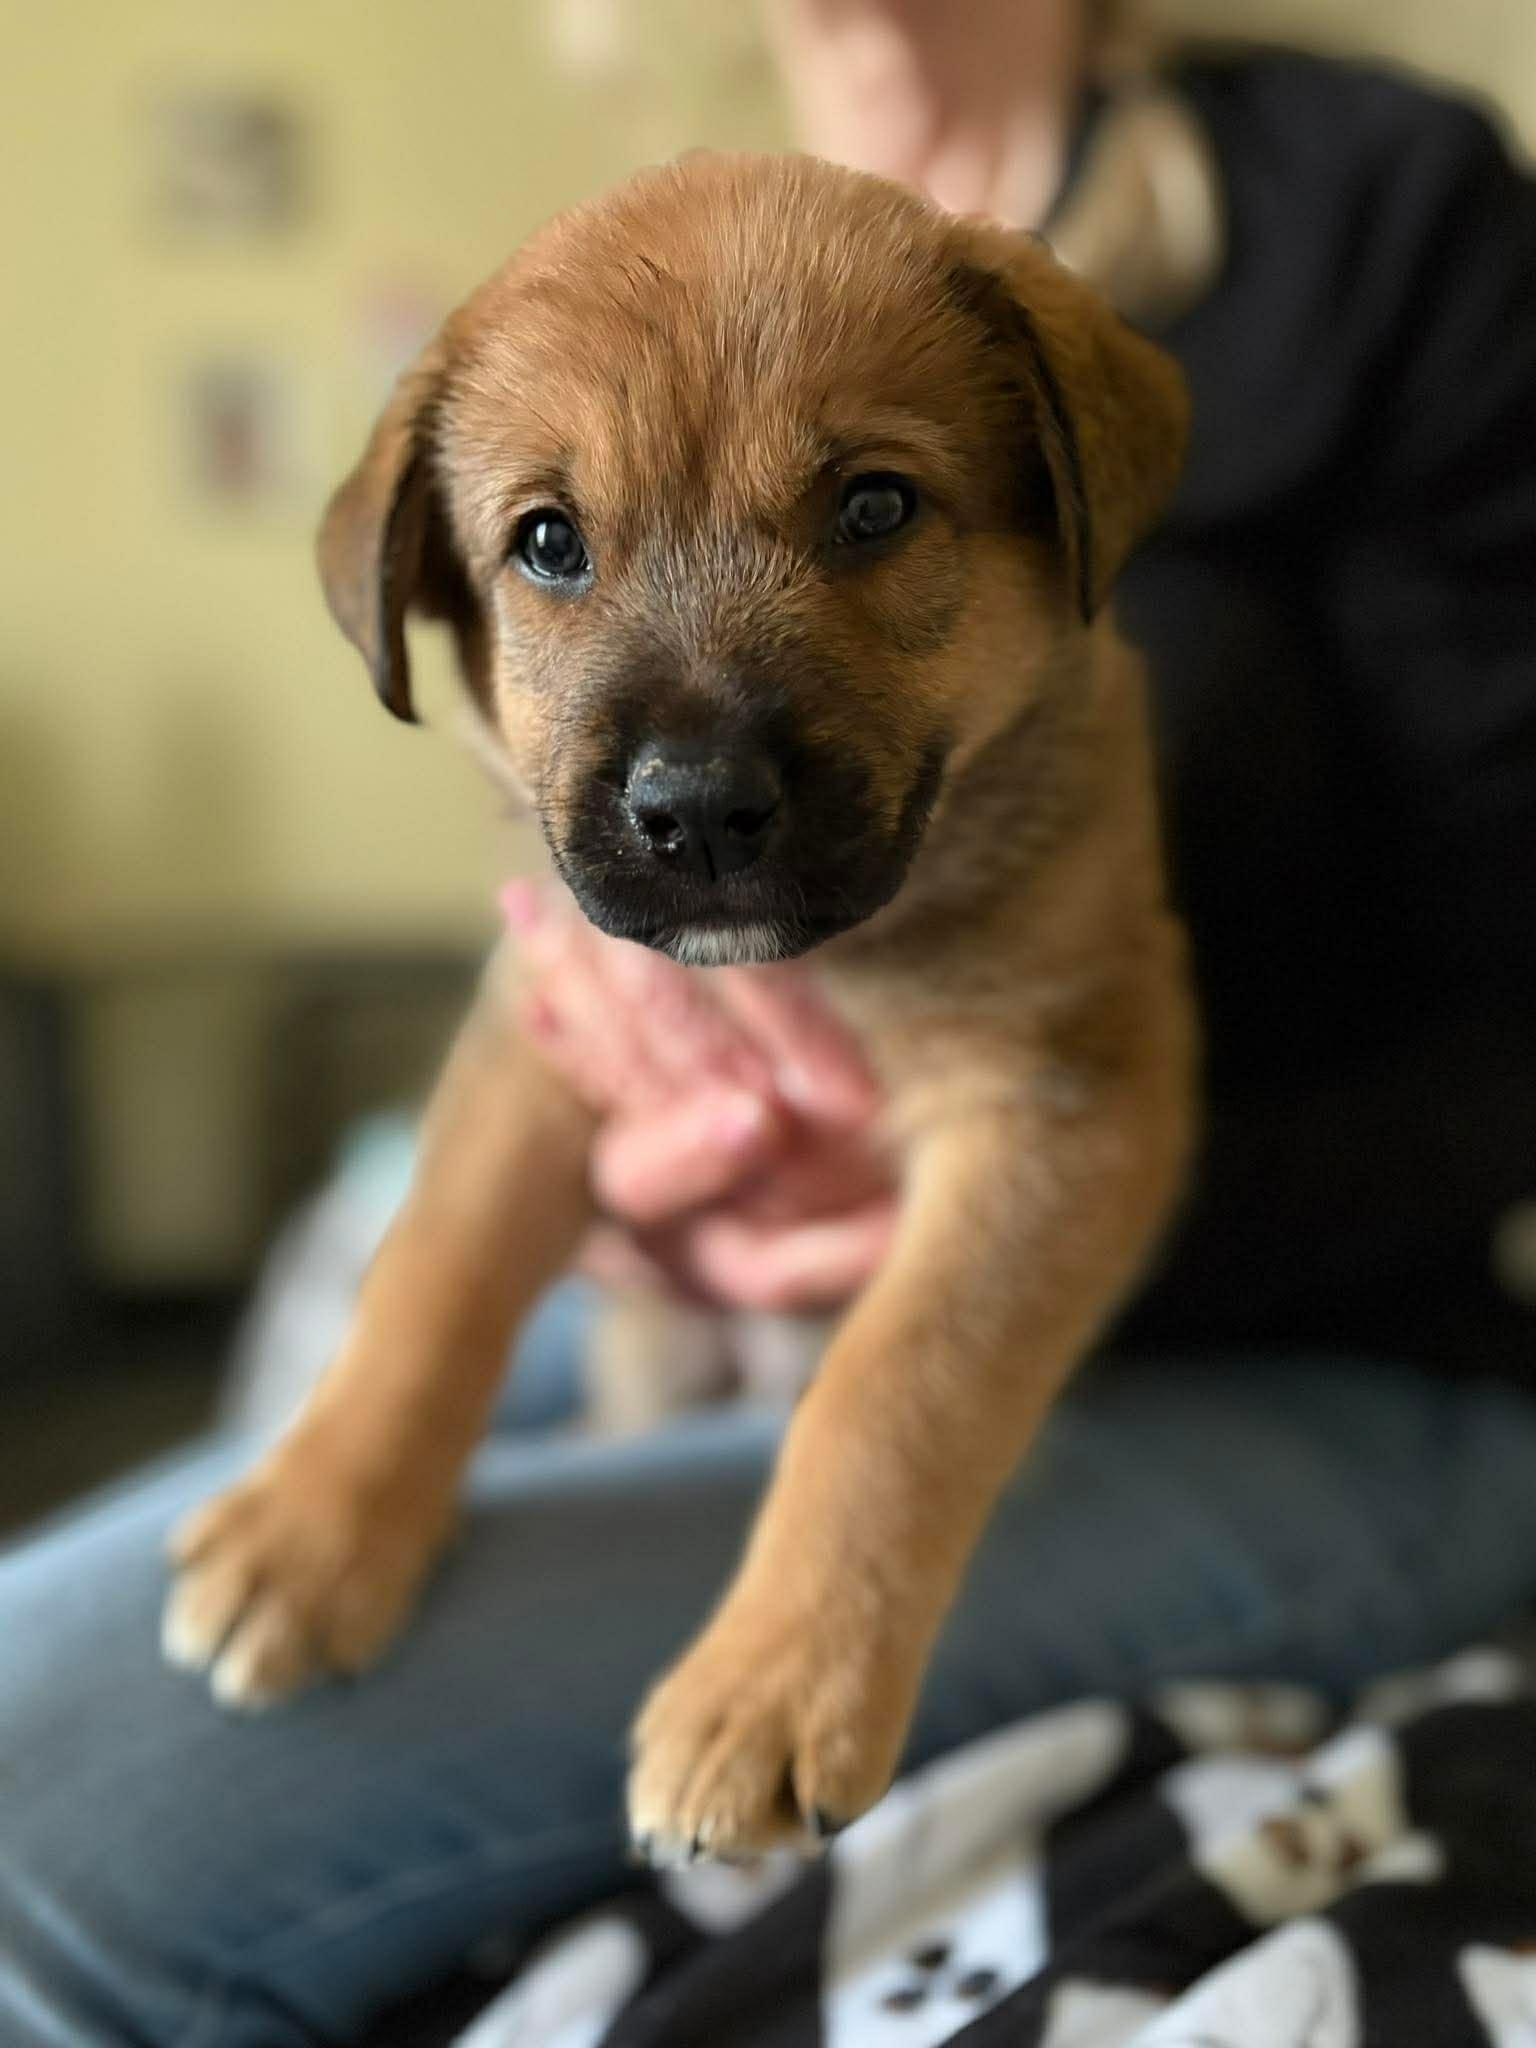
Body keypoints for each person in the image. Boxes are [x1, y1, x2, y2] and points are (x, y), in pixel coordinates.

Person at [5, 5, 1536, 2042]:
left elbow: (1105, 1094)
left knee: (48, 1806)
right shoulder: (602, 265)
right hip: (677, 1290)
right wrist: (390, 1430)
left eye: (878, 514)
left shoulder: (1372, 220)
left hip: (1321, 1358)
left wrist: (853, 1341)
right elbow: (535, 1052)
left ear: (1073, 527)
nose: (698, 754)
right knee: (202, 1527)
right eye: (550, 549)